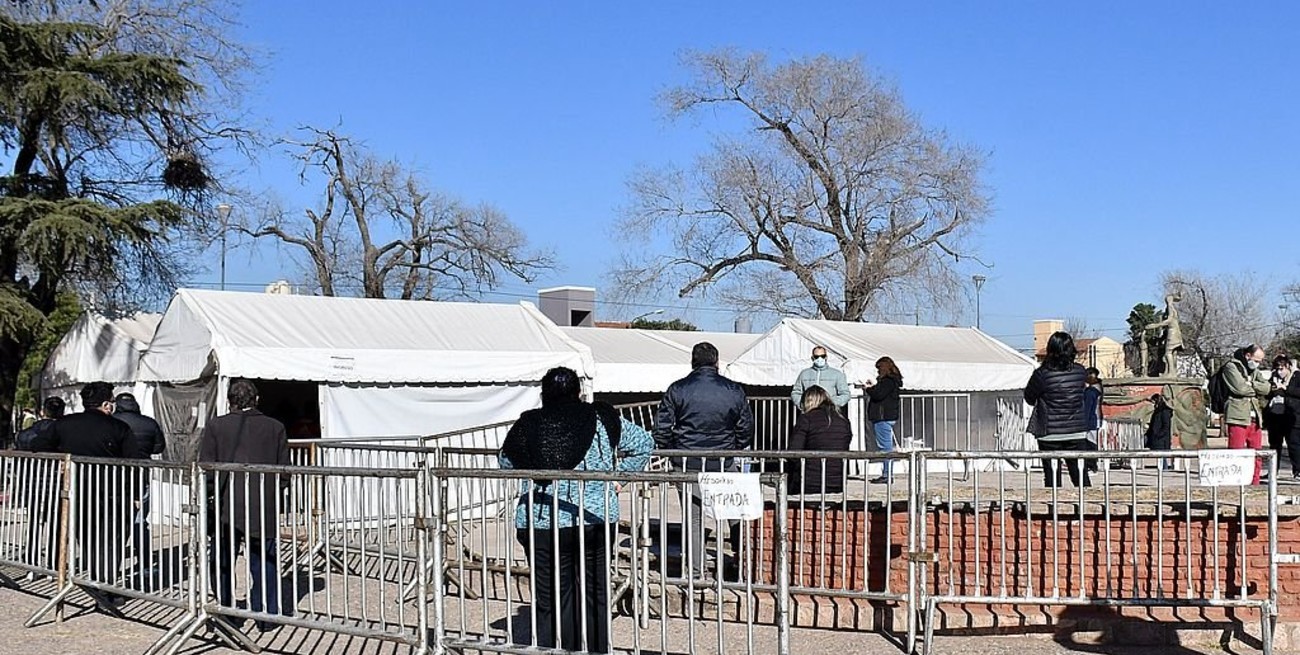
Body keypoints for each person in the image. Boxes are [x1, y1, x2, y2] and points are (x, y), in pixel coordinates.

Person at [499, 367, 653, 653]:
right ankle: (595, 649)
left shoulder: (530, 423)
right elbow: (644, 443)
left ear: (544, 393)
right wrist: (618, 480)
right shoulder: (602, 418)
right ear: (579, 392)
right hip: (595, 516)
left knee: (550, 596)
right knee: (595, 591)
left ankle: (556, 648)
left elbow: (507, 462)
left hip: (543, 520)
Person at [30, 382, 147, 607]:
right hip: (113, 494)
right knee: (111, 542)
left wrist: (61, 457)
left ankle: (95, 582)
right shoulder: (119, 428)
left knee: (87, 540)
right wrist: (135, 494)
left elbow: (37, 444)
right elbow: (134, 462)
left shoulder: (64, 424)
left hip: (78, 492)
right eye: (111, 401)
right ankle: (106, 588)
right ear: (106, 404)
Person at [653, 342, 755, 580]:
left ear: (693, 362)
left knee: (694, 518)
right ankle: (742, 565)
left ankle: (697, 572)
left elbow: (661, 429)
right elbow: (746, 428)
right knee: (735, 513)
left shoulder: (677, 389)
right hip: (724, 461)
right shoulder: (734, 390)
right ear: (717, 362)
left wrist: (672, 451)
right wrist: (734, 447)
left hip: (687, 461)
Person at [198, 379, 290, 631]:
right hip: (263, 503)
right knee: (265, 561)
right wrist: (274, 493)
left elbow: (207, 468)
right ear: (257, 399)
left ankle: (226, 610)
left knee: (223, 561)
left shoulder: (216, 426)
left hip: (226, 504)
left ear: (229, 401)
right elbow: (284, 471)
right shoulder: (276, 427)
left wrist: (208, 497)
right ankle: (267, 615)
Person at [1024, 331, 1091, 488]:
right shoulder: (1080, 371)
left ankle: (1054, 503)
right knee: (1080, 476)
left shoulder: (1042, 374)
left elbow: (1029, 398)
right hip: (1076, 431)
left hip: (1049, 432)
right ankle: (1086, 502)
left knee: (1052, 478)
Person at [114, 392, 166, 582]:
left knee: (115, 525)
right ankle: (145, 564)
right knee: (139, 523)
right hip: (141, 477)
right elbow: (159, 447)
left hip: (115, 478)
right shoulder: (149, 423)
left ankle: (112, 566)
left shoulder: (112, 422)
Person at [16, 397, 65, 572]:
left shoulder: (25, 434)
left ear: (43, 412)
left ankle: (31, 560)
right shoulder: (64, 433)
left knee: (33, 522)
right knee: (55, 524)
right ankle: (52, 563)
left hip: (31, 483)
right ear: (62, 413)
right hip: (56, 484)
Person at [786, 385, 853, 495]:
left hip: (808, 482)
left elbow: (793, 452)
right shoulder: (843, 420)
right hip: (837, 482)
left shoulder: (806, 419)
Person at [1222, 344, 1271, 484]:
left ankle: (1254, 482)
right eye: (1256, 360)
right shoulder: (1231, 367)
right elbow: (1240, 389)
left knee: (1257, 454)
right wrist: (1253, 387)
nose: (1258, 363)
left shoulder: (1255, 371)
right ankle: (1236, 483)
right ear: (1248, 355)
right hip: (1237, 416)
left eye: (1260, 361)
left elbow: (1267, 388)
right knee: (1236, 453)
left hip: (1255, 417)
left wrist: (1251, 384)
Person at [864, 356, 903, 484]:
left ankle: (887, 474)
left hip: (883, 417)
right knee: (886, 446)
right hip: (888, 416)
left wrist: (868, 389)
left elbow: (879, 395)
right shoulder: (893, 381)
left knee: (885, 448)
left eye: (879, 369)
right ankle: (887, 473)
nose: (877, 372)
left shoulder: (887, 381)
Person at [791, 345, 851, 411]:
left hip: (830, 412)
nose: (820, 359)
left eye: (822, 356)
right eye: (816, 357)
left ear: (826, 357)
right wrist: (803, 405)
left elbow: (845, 394)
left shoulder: (837, 374)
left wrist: (831, 403)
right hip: (809, 411)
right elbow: (796, 392)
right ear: (812, 358)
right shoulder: (804, 374)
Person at [1264, 355, 1295, 473]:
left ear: (1288, 366)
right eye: (1277, 369)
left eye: (1281, 369)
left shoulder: (1296, 377)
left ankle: (1297, 470)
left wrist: (1285, 388)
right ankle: (1273, 471)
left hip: (1289, 416)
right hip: (1274, 415)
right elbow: (1266, 395)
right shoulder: (1273, 378)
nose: (1279, 371)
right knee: (1275, 445)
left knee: (1293, 444)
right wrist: (1272, 389)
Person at [1144, 393, 1174, 471]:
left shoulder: (1164, 411)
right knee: (1160, 456)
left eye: (1153, 402)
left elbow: (1166, 426)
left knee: (1162, 456)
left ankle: (1164, 470)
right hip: (1156, 437)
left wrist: (1158, 434)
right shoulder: (1157, 411)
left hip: (1161, 439)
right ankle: (1162, 469)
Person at [1082, 368, 1104, 473]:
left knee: (1090, 444)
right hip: (1095, 419)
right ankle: (1091, 464)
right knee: (1091, 443)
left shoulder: (1091, 392)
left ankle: (1091, 465)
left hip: (1091, 420)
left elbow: (1087, 409)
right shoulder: (1098, 389)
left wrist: (1084, 422)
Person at [1283, 367, 1300, 481]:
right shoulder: (1295, 375)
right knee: (1293, 445)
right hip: (1291, 417)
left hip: (1296, 415)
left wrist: (1286, 389)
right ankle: (1297, 470)